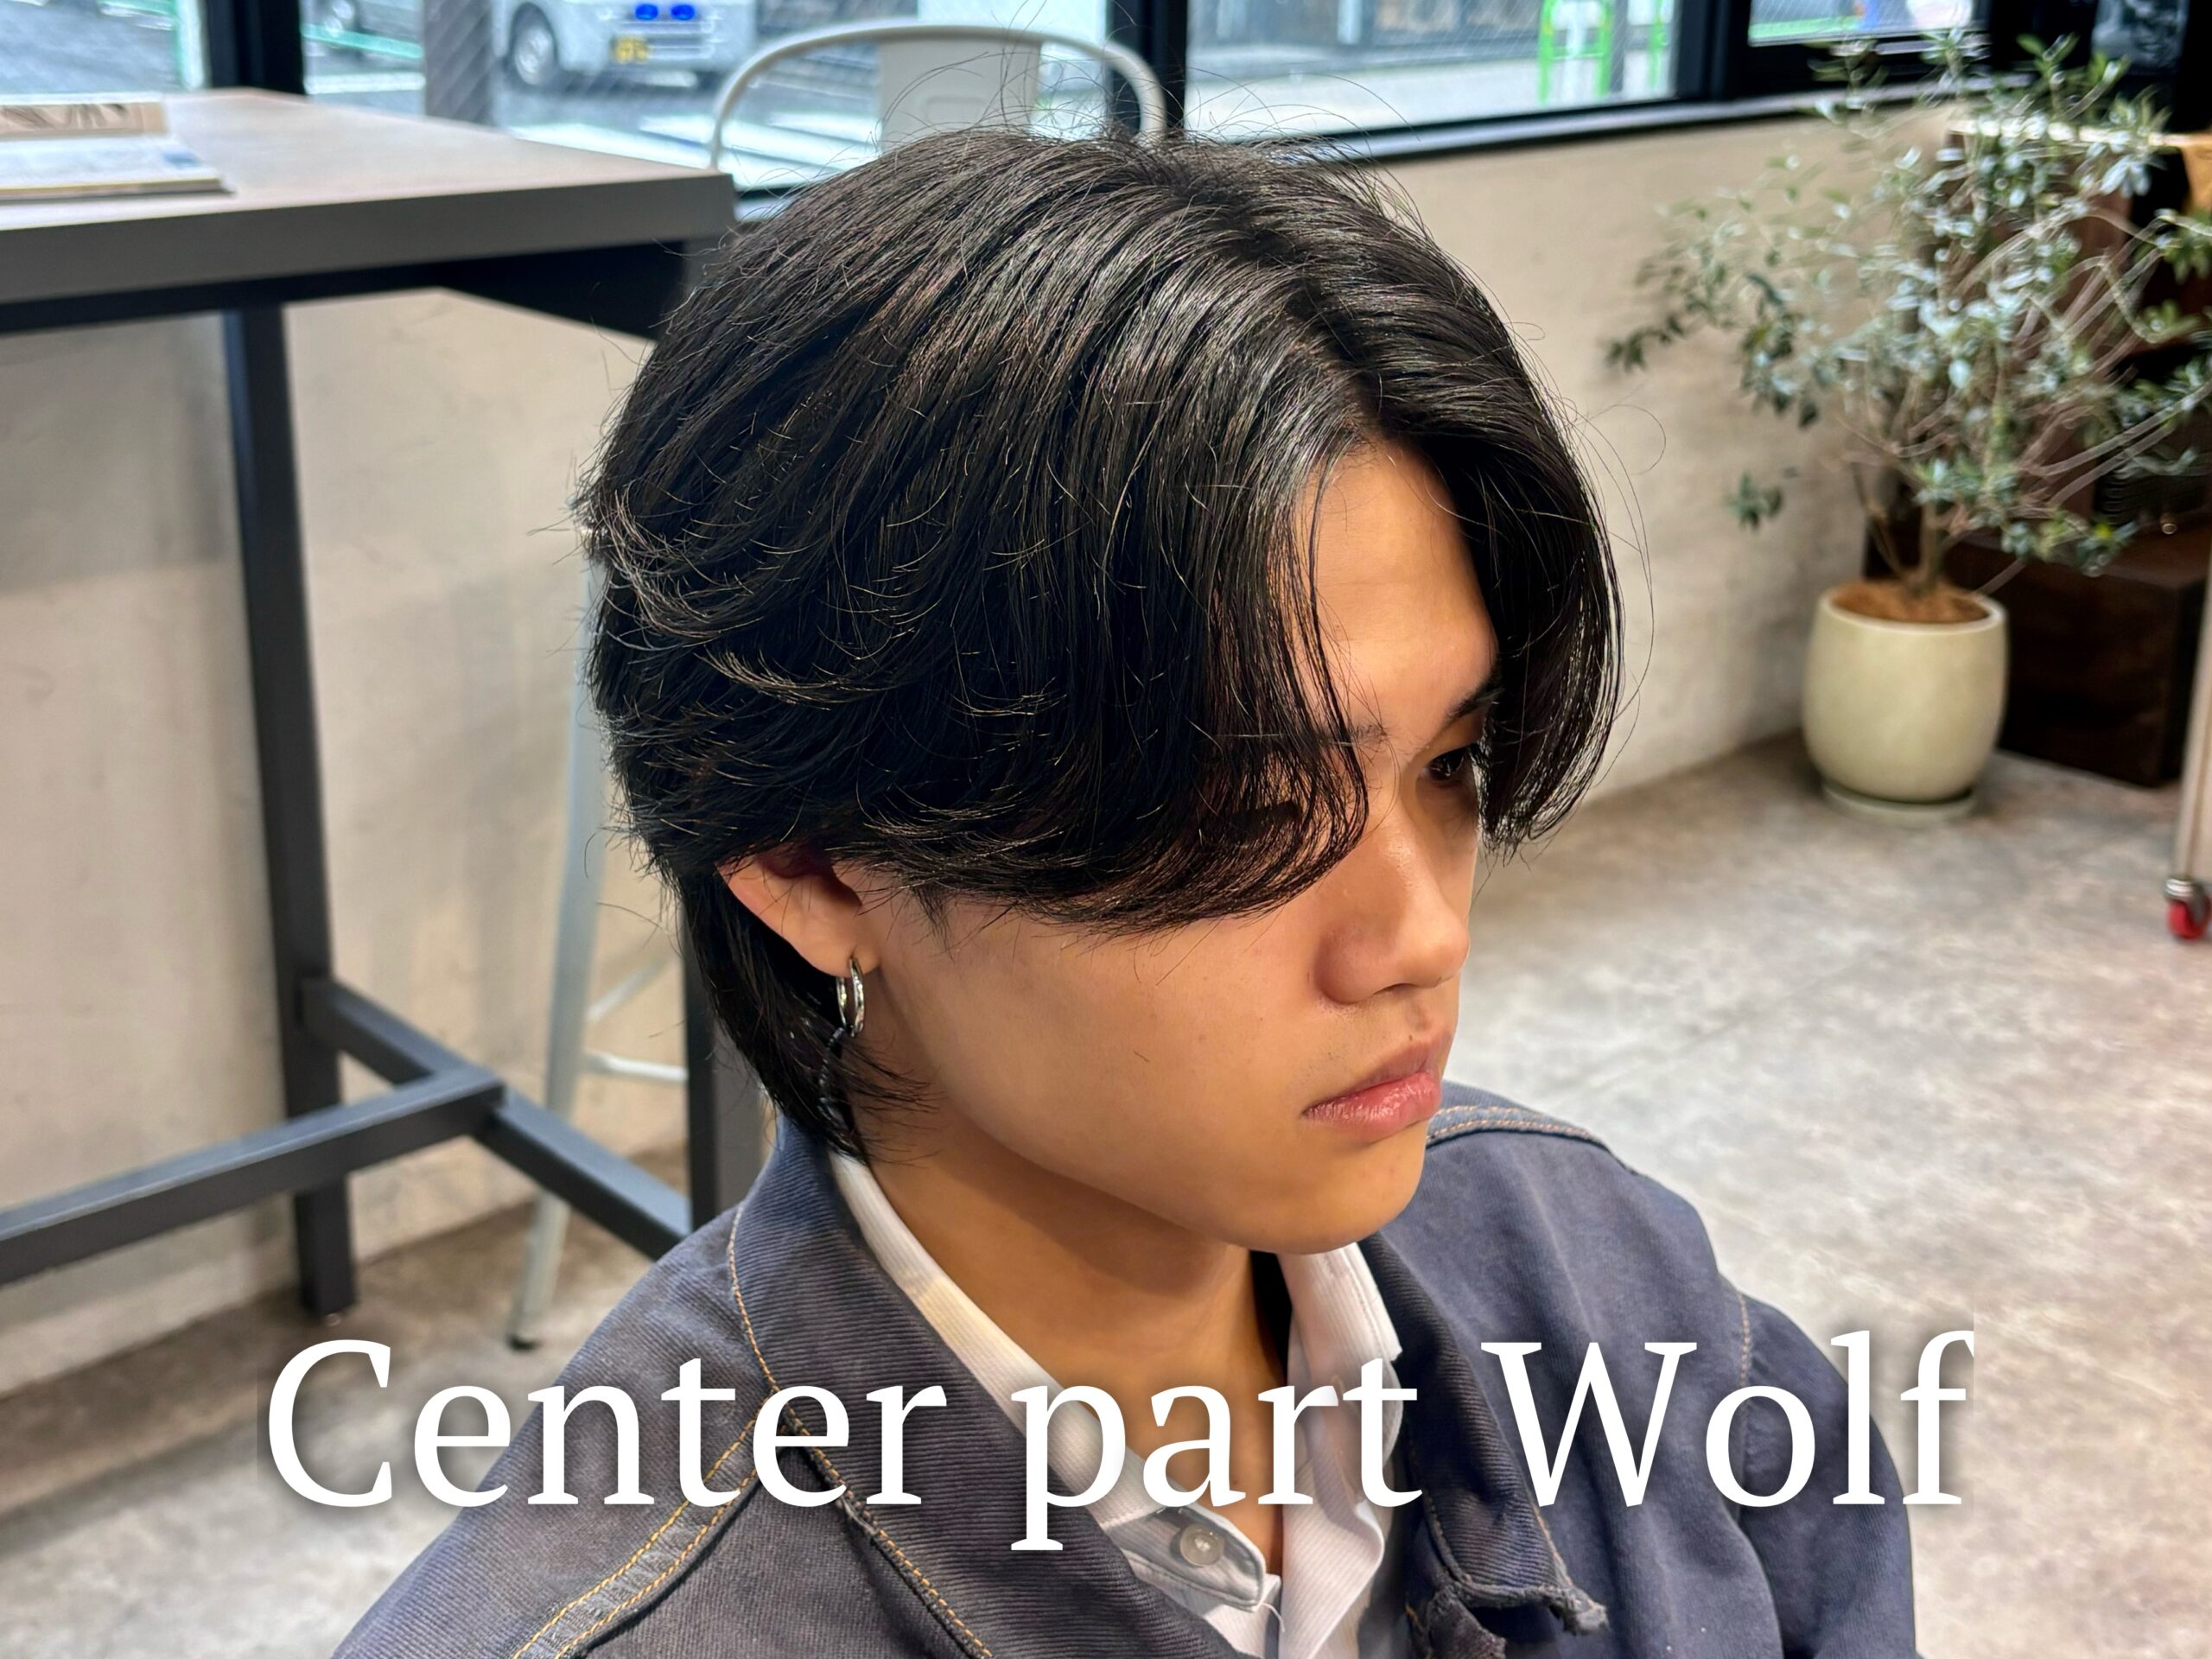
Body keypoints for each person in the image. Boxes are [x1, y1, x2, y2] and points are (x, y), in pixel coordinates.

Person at [336, 127, 1915, 1658]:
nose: (1423, 935)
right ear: (813, 863)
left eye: (1453, 761)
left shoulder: (1599, 1266)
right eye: (1243, 810)